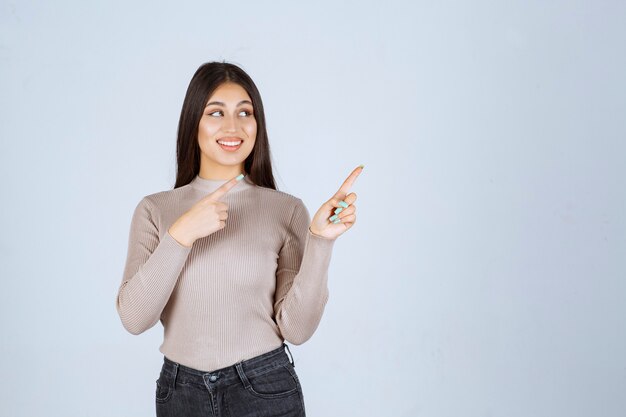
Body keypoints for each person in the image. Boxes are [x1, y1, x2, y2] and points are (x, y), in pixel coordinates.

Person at [115, 61, 363, 417]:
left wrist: (321, 241)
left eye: (244, 112)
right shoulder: (156, 209)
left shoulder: (285, 210)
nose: (233, 126)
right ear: (193, 124)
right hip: (181, 394)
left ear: (257, 124)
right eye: (216, 112)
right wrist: (181, 235)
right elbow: (134, 319)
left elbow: (296, 329)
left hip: (263, 387)